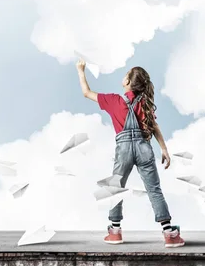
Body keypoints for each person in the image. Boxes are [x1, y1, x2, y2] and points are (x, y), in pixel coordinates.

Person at [76, 59, 185, 248]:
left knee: (116, 187)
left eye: (126, 74)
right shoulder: (145, 104)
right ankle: (169, 234)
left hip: (124, 149)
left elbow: (86, 92)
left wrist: (81, 70)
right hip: (144, 148)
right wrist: (164, 149)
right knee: (154, 190)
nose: (124, 76)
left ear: (128, 82)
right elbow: (154, 126)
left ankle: (115, 231)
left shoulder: (114, 100)